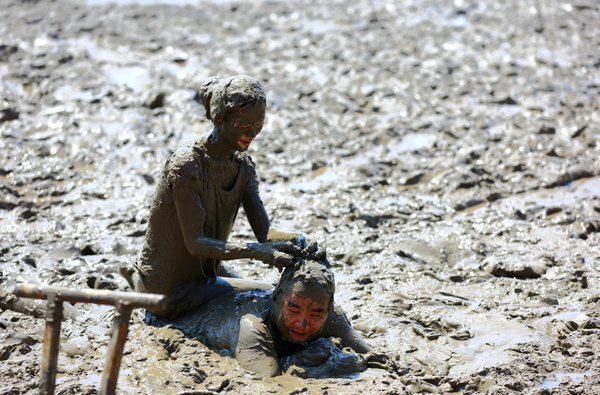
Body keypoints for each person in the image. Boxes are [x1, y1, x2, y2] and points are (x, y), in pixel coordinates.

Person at [133, 75, 313, 319]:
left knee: (250, 286)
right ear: (219, 119)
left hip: (203, 272)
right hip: (167, 291)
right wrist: (257, 252)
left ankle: (135, 276)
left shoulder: (243, 166)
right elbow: (196, 243)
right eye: (244, 124)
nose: (252, 132)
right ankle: (138, 280)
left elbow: (265, 234)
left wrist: (300, 240)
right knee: (268, 294)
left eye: (258, 124)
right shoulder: (187, 165)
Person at [171, 259, 375, 377]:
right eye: (293, 309)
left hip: (248, 291)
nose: (303, 323)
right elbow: (269, 380)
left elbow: (375, 356)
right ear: (277, 299)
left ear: (329, 310)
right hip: (187, 307)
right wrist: (328, 367)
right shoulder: (252, 327)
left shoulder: (332, 316)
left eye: (316, 314)